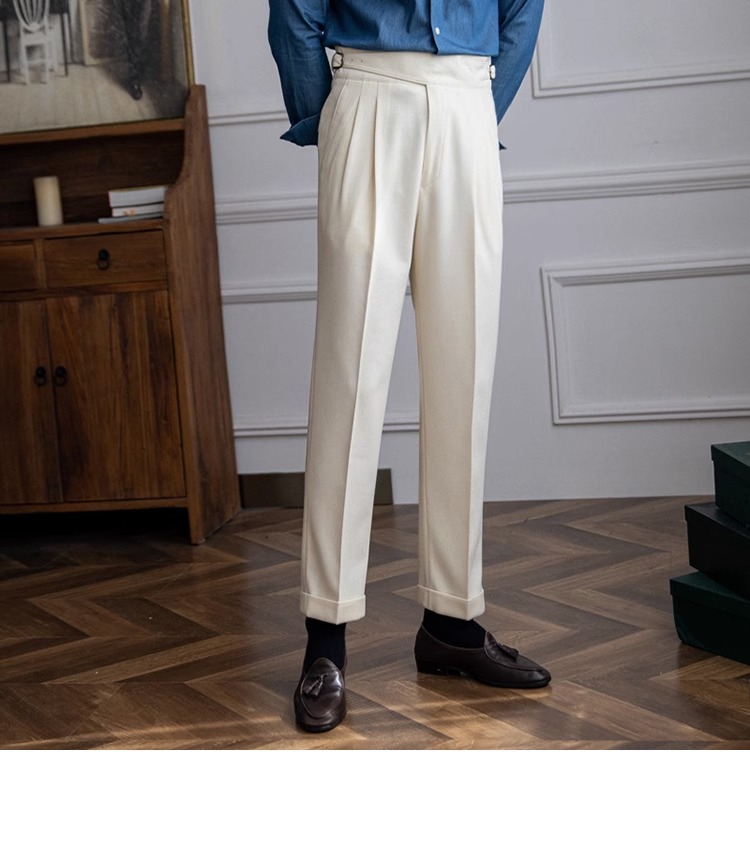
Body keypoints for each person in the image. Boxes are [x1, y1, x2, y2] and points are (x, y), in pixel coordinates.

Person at [268, 0, 550, 734]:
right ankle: (325, 639)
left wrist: (477, 105)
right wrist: (329, 115)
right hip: (366, 94)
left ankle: (452, 623)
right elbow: (295, 8)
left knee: (465, 372)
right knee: (348, 376)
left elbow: (523, 10)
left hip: (467, 102)